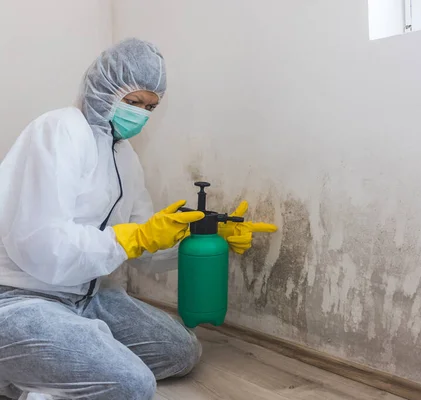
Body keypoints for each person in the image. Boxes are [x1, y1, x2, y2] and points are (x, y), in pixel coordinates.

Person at [0, 38, 277, 400]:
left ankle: (54, 356)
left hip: (88, 296)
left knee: (181, 351)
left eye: (151, 106)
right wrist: (130, 238)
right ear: (103, 88)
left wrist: (202, 236)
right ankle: (15, 379)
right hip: (21, 299)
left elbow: (146, 248)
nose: (142, 114)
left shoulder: (125, 155)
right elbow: (40, 244)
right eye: (133, 102)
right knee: (132, 386)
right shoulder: (58, 131)